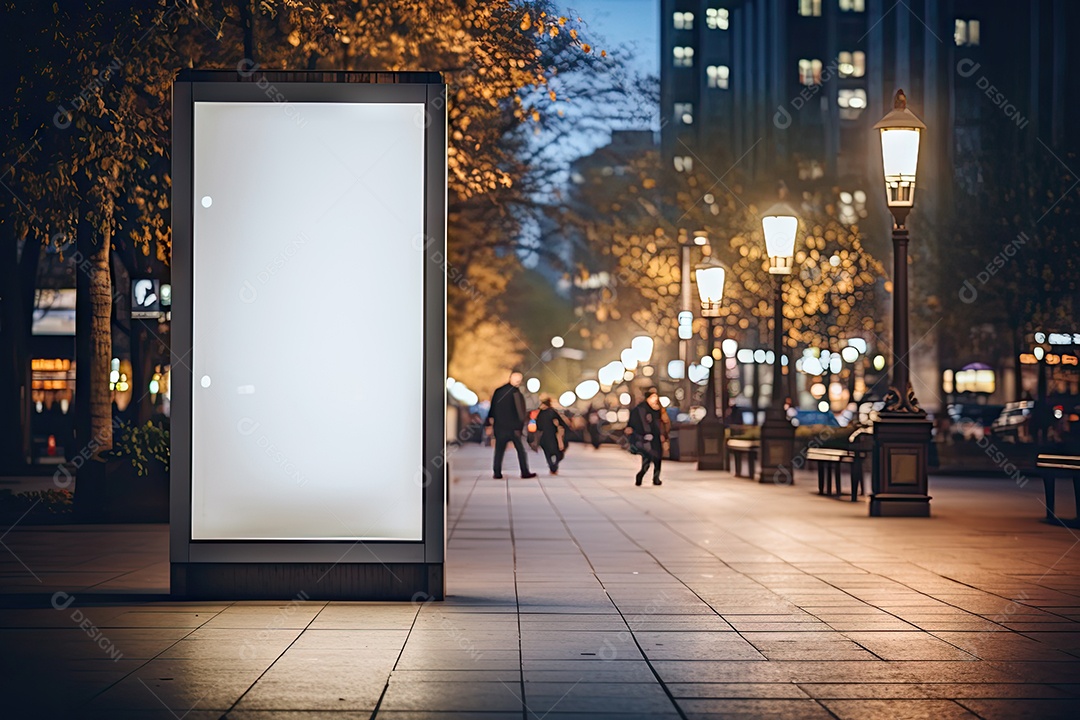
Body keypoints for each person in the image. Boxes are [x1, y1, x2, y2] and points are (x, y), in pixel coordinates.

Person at [486, 370, 537, 479]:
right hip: (513, 428)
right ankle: (524, 471)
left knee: (499, 450)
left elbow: (492, 409)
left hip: (500, 427)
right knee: (520, 450)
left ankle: (497, 472)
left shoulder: (499, 391)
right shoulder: (516, 393)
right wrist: (520, 425)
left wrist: (490, 423)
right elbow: (520, 412)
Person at [628, 389, 668, 486]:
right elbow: (634, 423)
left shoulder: (658, 409)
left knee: (658, 458)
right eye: (652, 397)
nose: (655, 399)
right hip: (645, 437)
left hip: (656, 437)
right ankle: (640, 475)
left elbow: (663, 423)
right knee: (647, 458)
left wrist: (664, 435)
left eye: (656, 397)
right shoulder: (641, 409)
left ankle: (656, 478)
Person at [535, 396, 570, 474]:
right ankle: (554, 466)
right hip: (553, 436)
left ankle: (552, 466)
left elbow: (538, 426)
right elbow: (562, 422)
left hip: (543, 437)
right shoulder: (552, 411)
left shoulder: (540, 413)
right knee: (558, 452)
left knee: (547, 453)